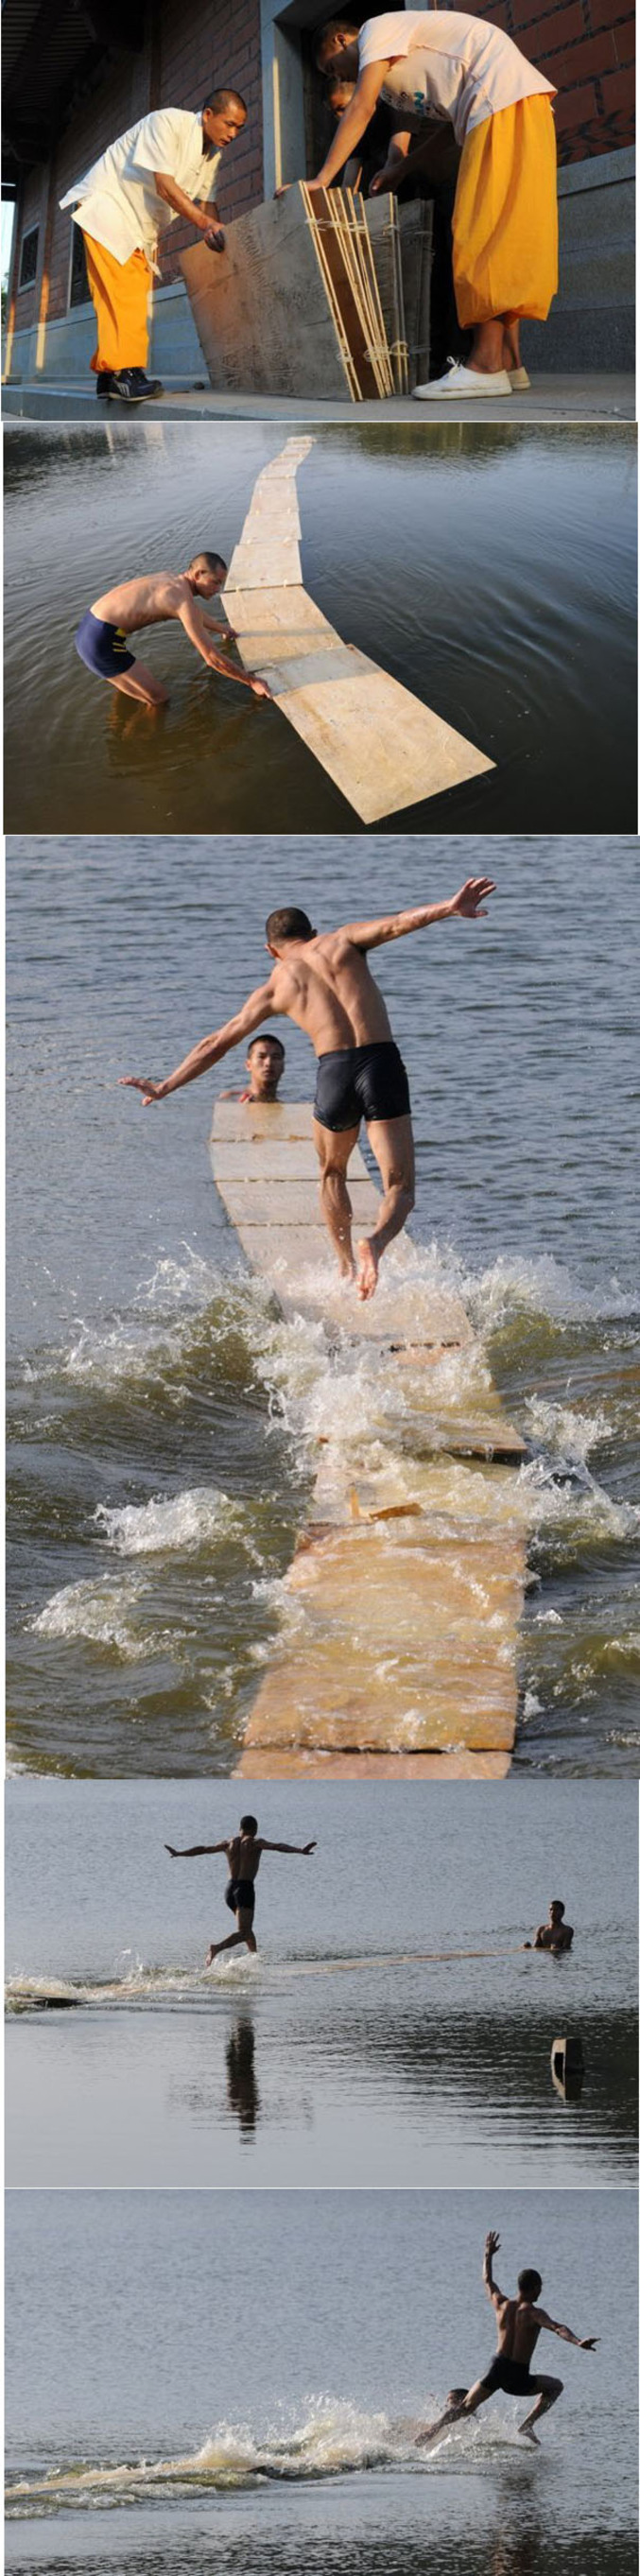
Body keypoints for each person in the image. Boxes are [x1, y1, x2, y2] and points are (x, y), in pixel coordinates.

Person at [120, 875, 494, 1301]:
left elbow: (218, 1042)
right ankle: (375, 1243)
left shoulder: (275, 986)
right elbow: (397, 924)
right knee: (399, 1187)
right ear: (313, 933)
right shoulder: (343, 941)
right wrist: (448, 907)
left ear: (270, 950)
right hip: (381, 1064)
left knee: (332, 1172)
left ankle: (345, 1266)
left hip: (333, 1071)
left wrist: (165, 1085)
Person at [311, 16, 558, 397]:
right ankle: (510, 364)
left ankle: (486, 365)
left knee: (482, 232)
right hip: (509, 104)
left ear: (341, 39)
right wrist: (401, 168)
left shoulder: (377, 30)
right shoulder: (401, 77)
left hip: (500, 101)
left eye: (331, 65)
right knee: (504, 234)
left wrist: (322, 179)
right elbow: (449, 128)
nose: (336, 74)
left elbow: (361, 108)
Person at [61, 91, 249, 403]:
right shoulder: (166, 123)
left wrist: (217, 237)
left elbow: (208, 203)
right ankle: (126, 372)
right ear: (208, 115)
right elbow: (164, 185)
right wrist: (204, 224)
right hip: (109, 205)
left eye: (239, 128)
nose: (233, 133)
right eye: (229, 124)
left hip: (136, 224)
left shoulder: (212, 155)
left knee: (119, 295)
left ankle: (109, 377)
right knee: (127, 293)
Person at [417, 2230, 598, 2449]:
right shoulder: (534, 2313)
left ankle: (430, 2432)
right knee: (556, 2387)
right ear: (533, 2288)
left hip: (496, 2367)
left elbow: (487, 2280)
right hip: (517, 2376)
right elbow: (558, 2328)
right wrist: (578, 2342)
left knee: (465, 2407)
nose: (541, 2291)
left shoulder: (501, 2304)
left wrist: (488, 2255)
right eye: (540, 2287)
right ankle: (527, 2426)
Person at [75, 555, 270, 708]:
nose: (218, 589)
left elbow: (194, 613)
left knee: (136, 691)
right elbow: (211, 658)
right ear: (198, 574)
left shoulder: (172, 579)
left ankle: (124, 726)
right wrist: (251, 681)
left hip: (90, 627)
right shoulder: (181, 600)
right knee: (159, 699)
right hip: (101, 643)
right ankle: (145, 746)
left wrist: (222, 628)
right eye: (215, 582)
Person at [164, 1814, 316, 1962]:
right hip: (244, 1889)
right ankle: (216, 1948)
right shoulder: (255, 1842)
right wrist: (300, 1850)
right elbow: (277, 1847)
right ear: (255, 1829)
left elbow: (203, 1849)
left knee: (247, 1930)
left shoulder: (228, 1843)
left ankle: (255, 1959)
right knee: (244, 1932)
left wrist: (180, 1853)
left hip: (229, 1891)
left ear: (240, 1828)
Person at [219, 1033, 285, 1102]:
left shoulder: (287, 1100)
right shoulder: (231, 1098)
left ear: (283, 1066)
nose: (268, 1063)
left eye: (275, 1057)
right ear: (248, 1065)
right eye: (261, 1057)